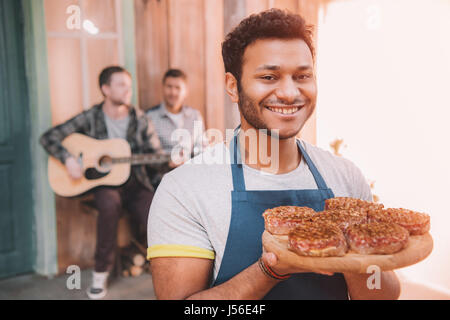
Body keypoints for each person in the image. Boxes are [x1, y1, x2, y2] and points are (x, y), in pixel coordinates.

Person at [147, 9, 401, 300]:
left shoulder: (346, 177)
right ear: (233, 86)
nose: (289, 92)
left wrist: (354, 249)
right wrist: (269, 270)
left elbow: (380, 297)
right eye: (269, 76)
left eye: (302, 75)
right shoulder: (184, 189)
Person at [40, 66, 174, 299]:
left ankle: (170, 273)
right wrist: (69, 159)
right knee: (109, 206)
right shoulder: (91, 116)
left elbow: (156, 156)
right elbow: (48, 137)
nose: (128, 89)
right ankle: (100, 274)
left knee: (157, 212)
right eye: (121, 84)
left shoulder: (139, 118)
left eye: (128, 85)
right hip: (105, 185)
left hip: (135, 182)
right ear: (105, 89)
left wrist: (170, 161)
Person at [146, 69, 206, 180]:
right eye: (169, 87)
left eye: (177, 88)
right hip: (162, 176)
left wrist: (190, 162)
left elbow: (201, 148)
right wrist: (167, 162)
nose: (173, 92)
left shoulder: (195, 116)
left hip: (191, 173)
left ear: (185, 91)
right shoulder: (150, 117)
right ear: (163, 88)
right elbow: (149, 151)